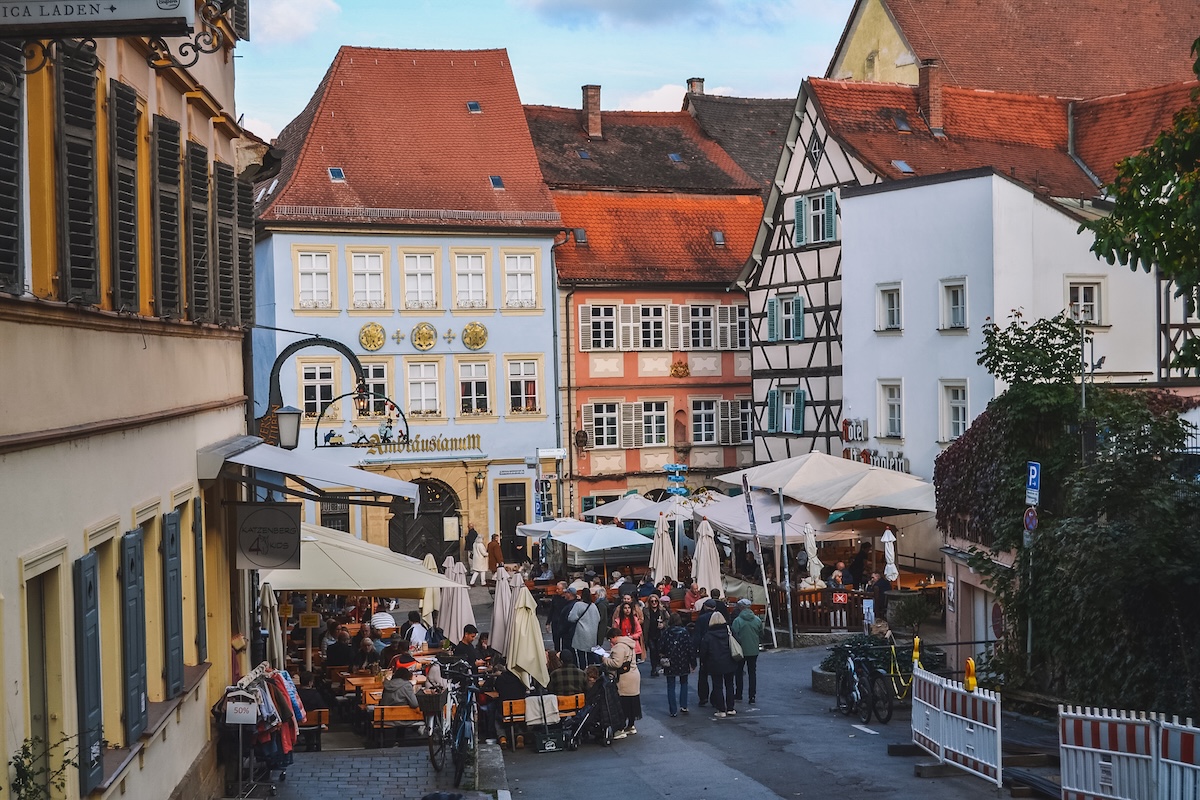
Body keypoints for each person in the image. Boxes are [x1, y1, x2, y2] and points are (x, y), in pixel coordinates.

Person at [602, 626, 641, 738]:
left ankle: (620, 729)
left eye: (610, 639)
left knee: (622, 703)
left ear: (614, 637)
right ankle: (631, 726)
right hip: (634, 675)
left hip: (624, 678)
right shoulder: (629, 644)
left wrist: (605, 660)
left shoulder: (619, 647)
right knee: (632, 702)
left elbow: (616, 664)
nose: (610, 642)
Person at [698, 613, 737, 718]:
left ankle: (721, 709)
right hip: (729, 661)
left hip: (715, 663)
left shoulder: (708, 635)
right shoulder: (729, 631)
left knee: (717, 686)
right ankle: (730, 708)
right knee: (729, 685)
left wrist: (703, 662)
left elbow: (703, 652)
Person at [659, 613, 695, 716]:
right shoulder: (685, 633)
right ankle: (684, 705)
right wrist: (693, 663)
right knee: (684, 683)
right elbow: (690, 648)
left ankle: (673, 710)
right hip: (683, 660)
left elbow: (661, 647)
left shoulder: (666, 633)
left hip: (670, 662)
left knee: (671, 685)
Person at [731, 599, 763, 704]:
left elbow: (733, 634)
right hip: (753, 650)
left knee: (739, 672)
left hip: (740, 650)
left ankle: (739, 694)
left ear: (740, 607)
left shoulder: (737, 621)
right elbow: (761, 633)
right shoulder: (757, 620)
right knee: (752, 673)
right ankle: (752, 696)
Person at [567, 588, 600, 668]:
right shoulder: (593, 606)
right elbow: (598, 618)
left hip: (581, 633)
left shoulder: (578, 605)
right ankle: (591, 670)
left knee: (581, 654)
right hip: (592, 633)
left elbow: (571, 618)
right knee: (591, 654)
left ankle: (583, 669)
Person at [692, 599, 717, 706]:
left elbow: (697, 636)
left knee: (703, 674)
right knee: (716, 676)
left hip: (704, 648)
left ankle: (703, 697)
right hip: (717, 648)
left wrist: (693, 651)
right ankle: (715, 697)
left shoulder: (701, 618)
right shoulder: (718, 618)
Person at [643, 594, 670, 677]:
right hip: (650, 633)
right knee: (653, 651)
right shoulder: (645, 610)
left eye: (655, 601)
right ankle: (653, 669)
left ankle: (660, 665)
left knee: (659, 651)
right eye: (652, 601)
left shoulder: (662, 610)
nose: (654, 603)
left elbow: (668, 618)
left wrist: (663, 624)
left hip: (660, 634)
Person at [546, 582, 571, 652]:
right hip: (556, 622)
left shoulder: (567, 599)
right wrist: (548, 622)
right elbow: (551, 610)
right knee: (556, 641)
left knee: (565, 642)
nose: (557, 591)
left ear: (564, 590)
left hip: (565, 623)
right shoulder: (555, 598)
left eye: (558, 589)